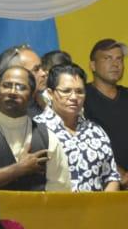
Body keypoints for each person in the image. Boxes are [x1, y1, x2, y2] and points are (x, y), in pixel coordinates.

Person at [0, 65, 71, 192]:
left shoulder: (48, 137)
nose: (12, 92)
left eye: (21, 87)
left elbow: (60, 191)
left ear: (32, 94)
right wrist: (19, 169)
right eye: (7, 85)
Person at [36, 63, 121, 192]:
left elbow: (111, 177)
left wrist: (102, 209)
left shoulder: (95, 131)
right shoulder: (36, 129)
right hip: (53, 210)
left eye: (80, 92)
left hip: (95, 211)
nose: (74, 97)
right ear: (50, 93)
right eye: (66, 91)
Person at [84, 38, 128, 190]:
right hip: (97, 183)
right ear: (93, 65)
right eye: (107, 58)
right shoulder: (81, 96)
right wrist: (114, 171)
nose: (115, 64)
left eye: (119, 59)